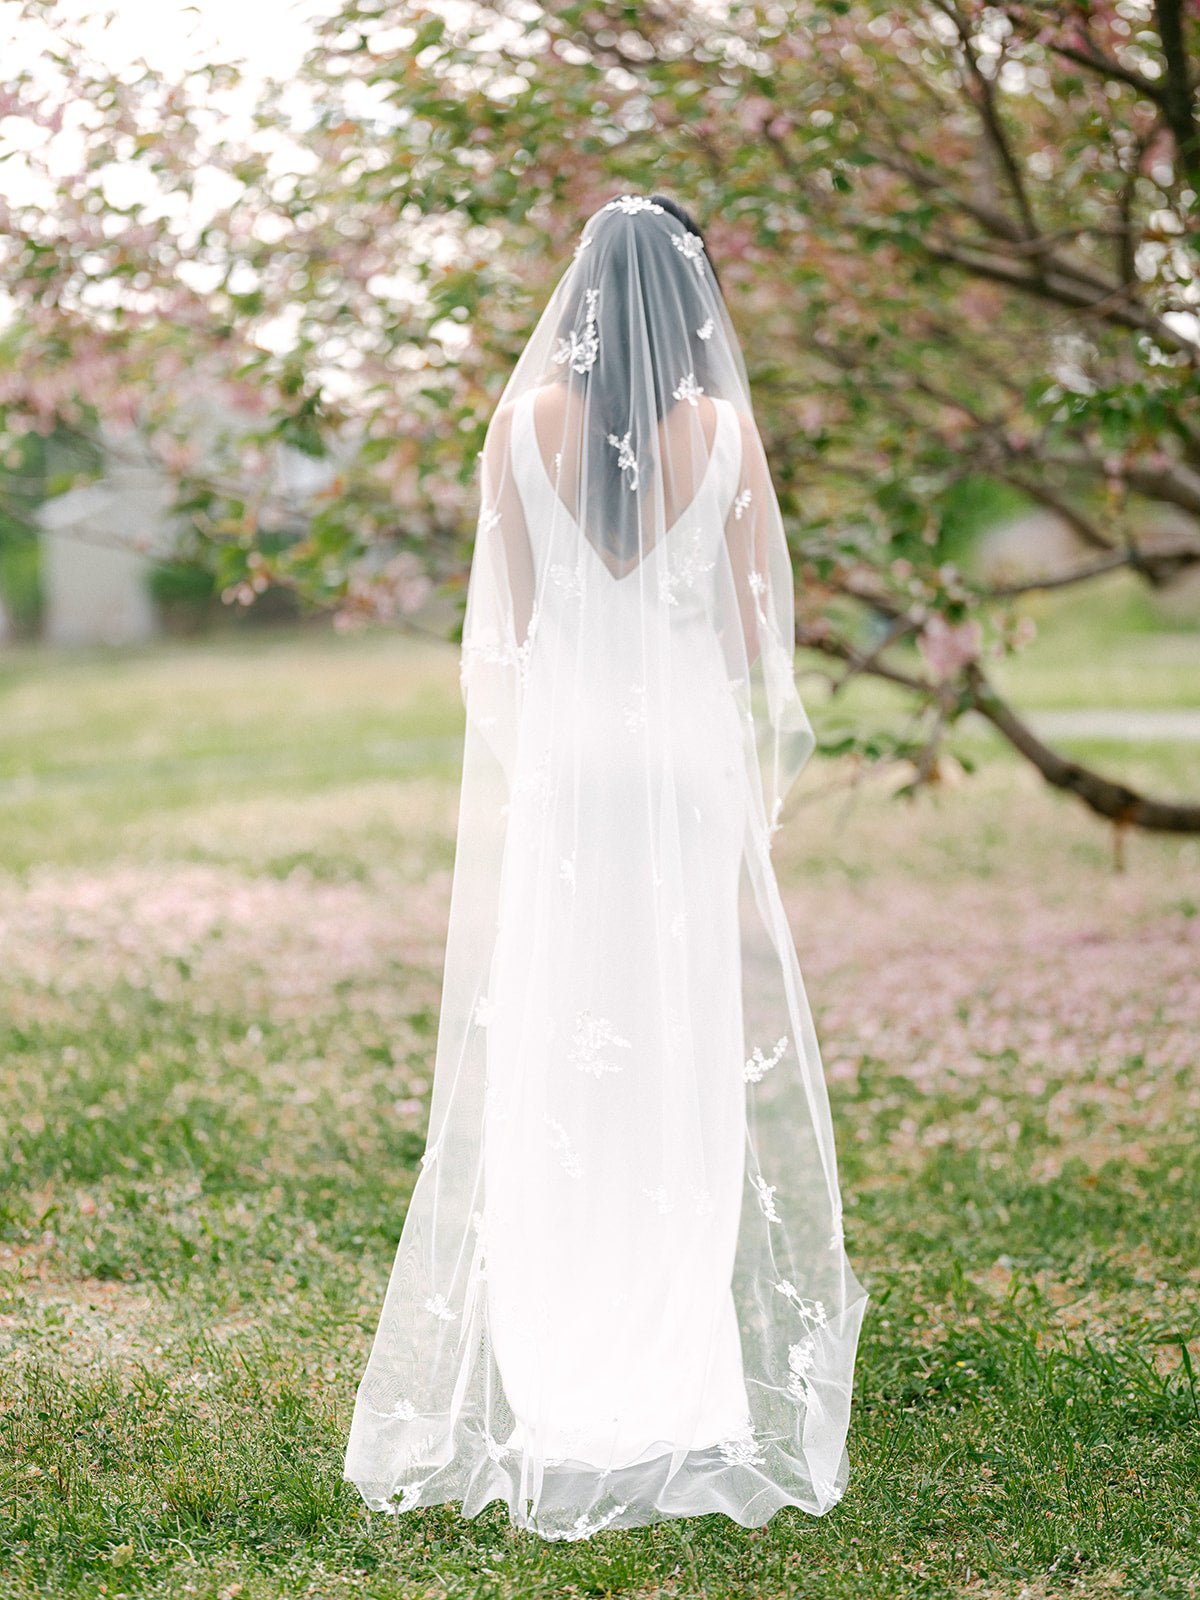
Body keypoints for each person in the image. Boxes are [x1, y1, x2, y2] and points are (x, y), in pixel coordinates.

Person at [343, 192, 869, 1540]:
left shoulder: (519, 430)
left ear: (574, 299)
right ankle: (679, 1367)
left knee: (560, 1048)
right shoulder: (731, 436)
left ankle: (562, 1362)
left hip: (573, 772)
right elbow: (756, 641)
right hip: (683, 771)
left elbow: (505, 629)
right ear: (694, 301)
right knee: (675, 1043)